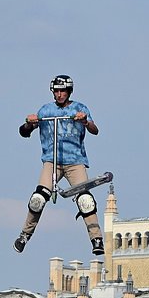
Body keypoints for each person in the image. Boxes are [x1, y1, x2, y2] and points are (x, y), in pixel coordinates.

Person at [14, 75, 105, 256]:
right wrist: (29, 123)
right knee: (38, 199)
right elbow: (24, 132)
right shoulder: (45, 111)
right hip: (52, 161)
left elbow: (95, 130)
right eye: (56, 91)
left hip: (75, 161)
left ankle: (96, 238)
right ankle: (25, 234)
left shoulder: (79, 108)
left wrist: (85, 121)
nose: (59, 94)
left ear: (69, 91)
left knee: (85, 200)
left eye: (62, 91)